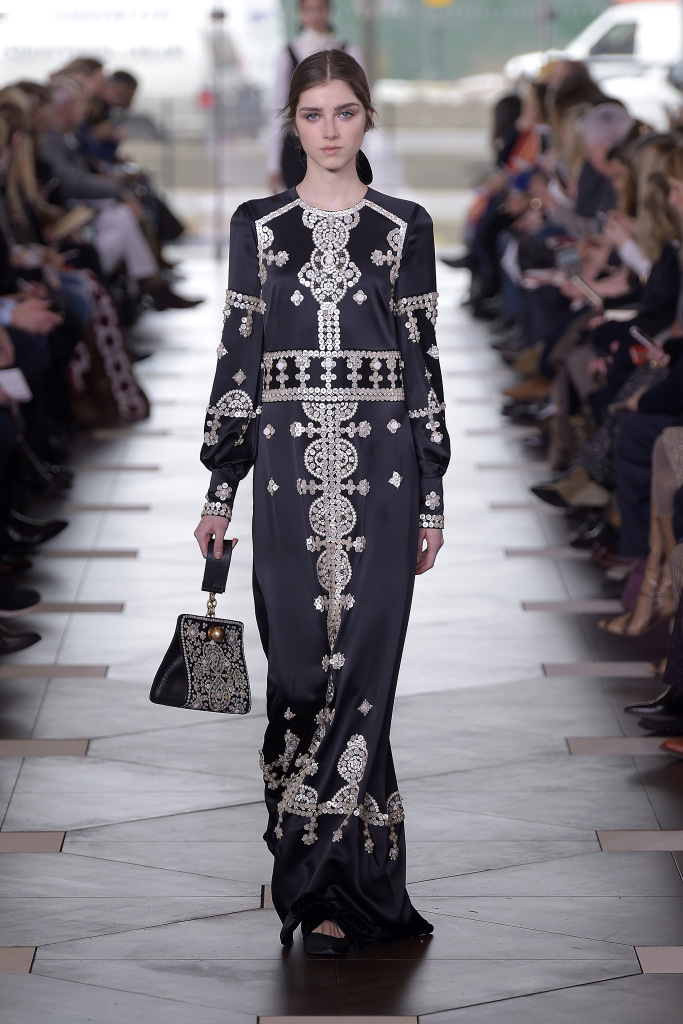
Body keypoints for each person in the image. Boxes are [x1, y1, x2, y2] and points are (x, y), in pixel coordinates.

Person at [195, 49, 449, 956]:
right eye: (313, 114)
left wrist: (431, 493)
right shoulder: (258, 226)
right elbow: (238, 356)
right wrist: (219, 487)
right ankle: (314, 862)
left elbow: (421, 361)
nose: (330, 129)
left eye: (345, 112)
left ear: (367, 119)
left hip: (384, 477)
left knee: (364, 685)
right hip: (283, 475)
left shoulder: (403, 226)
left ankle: (335, 889)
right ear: (293, 123)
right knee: (301, 680)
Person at [266, 0, 362, 194]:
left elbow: (359, 108)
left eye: (320, 8)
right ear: (300, 12)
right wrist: (273, 163)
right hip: (296, 148)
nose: (315, 15)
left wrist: (361, 157)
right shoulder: (287, 55)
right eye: (310, 9)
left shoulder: (350, 52)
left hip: (338, 143)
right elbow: (279, 110)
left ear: (329, 10)